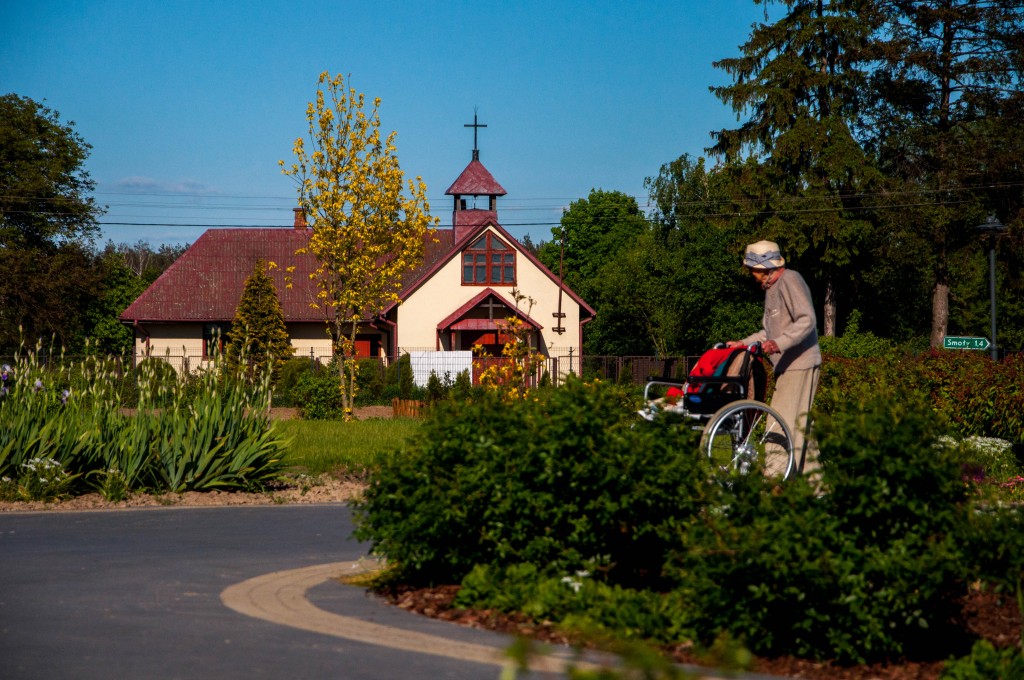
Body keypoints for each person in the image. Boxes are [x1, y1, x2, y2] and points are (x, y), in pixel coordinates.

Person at [726, 240, 822, 474]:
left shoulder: (790, 280)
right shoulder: (772, 290)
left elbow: (807, 320)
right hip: (787, 366)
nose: (751, 274)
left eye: (752, 269)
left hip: (799, 364)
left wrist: (778, 344)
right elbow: (768, 334)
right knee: (801, 429)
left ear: (763, 267)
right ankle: (818, 493)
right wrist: (743, 343)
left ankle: (775, 484)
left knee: (779, 426)